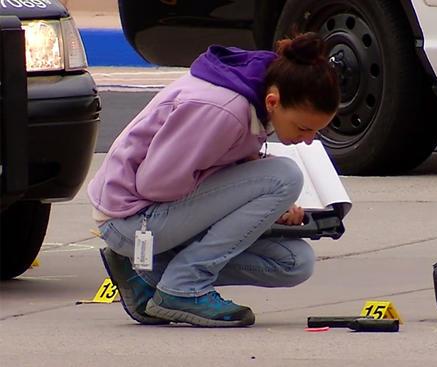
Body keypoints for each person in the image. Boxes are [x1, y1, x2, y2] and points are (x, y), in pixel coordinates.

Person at [88, 32, 340, 327]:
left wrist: (260, 207)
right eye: (304, 128)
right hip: (130, 220)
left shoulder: (255, 99)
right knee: (285, 177)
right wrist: (242, 194)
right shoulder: (223, 110)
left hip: (159, 219)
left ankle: (146, 273)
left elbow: (213, 175)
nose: (308, 140)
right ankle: (182, 288)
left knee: (295, 263)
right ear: (273, 101)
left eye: (316, 132)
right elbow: (154, 184)